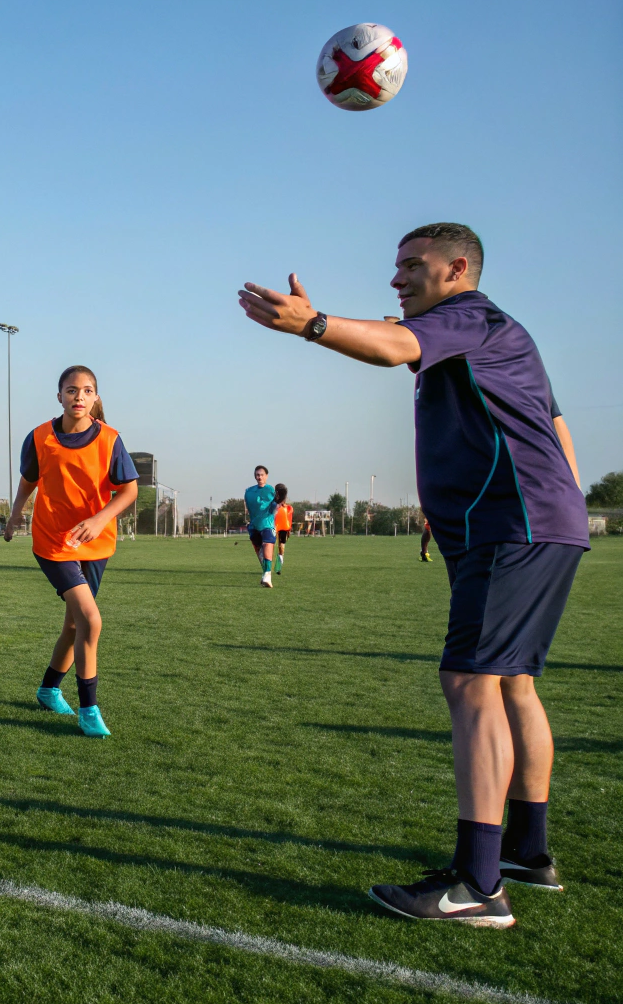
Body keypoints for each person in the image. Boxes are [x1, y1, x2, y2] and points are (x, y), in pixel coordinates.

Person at [239, 222, 589, 928]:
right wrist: (566, 512)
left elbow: (395, 343)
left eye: (410, 265)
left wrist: (312, 325)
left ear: (457, 268)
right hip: (534, 525)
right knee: (511, 682)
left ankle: (478, 886)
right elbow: (552, 424)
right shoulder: (489, 334)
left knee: (469, 682)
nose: (396, 277)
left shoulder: (470, 316)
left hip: (511, 528)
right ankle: (527, 851)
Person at [4, 366, 139, 738]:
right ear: (59, 395)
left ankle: (48, 689)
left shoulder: (111, 439)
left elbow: (129, 490)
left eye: (87, 390)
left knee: (76, 624)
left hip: (96, 543)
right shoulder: (39, 437)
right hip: (53, 542)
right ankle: (89, 710)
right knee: (91, 621)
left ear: (95, 397)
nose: (79, 396)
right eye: (71, 390)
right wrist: (16, 512)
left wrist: (98, 520)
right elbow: (30, 478)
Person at [244, 467, 280, 587]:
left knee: (267, 545)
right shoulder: (249, 492)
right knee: (260, 552)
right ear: (255, 476)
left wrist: (276, 507)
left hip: (268, 524)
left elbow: (275, 505)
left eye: (262, 475)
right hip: (254, 525)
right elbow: (249, 509)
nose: (260, 477)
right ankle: (266, 573)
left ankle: (267, 575)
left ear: (267, 476)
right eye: (257, 475)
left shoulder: (271, 490)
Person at [273, 484, 292, 574]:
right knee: (271, 547)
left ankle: (278, 567)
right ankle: (268, 567)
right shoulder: (273, 505)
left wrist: (289, 530)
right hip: (273, 528)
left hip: (284, 529)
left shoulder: (288, 508)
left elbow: (289, 519)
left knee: (281, 548)